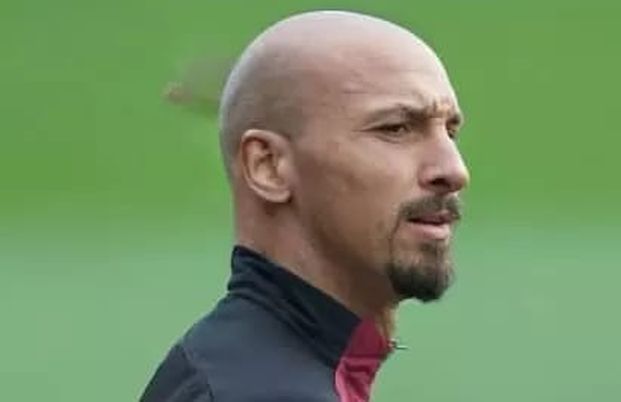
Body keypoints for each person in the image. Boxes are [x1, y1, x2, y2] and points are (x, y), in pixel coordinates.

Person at [141, 9, 470, 402]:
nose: (454, 170)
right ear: (268, 167)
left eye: (450, 131)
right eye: (395, 128)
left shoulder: (239, 366)